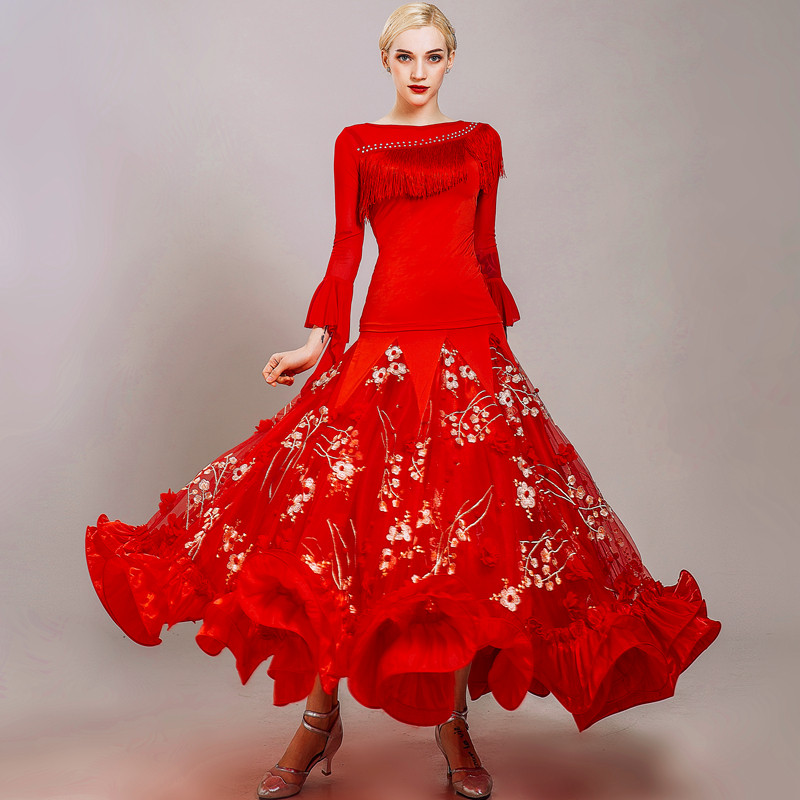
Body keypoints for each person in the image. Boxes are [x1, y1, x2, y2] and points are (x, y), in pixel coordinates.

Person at [85, 4, 722, 799]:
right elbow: (345, 247)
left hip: (468, 347)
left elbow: (484, 249)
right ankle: (319, 720)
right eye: (404, 57)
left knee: (454, 550)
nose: (419, 72)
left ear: (451, 60)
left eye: (433, 57)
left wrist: (499, 363)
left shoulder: (480, 140)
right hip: (385, 342)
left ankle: (452, 726)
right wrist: (317, 342)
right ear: (385, 61)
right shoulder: (358, 143)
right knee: (337, 535)